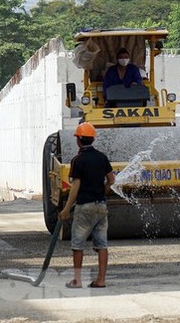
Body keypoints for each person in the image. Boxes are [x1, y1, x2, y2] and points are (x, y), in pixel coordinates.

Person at [59, 122, 115, 289]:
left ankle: (77, 280)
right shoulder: (102, 157)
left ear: (78, 140)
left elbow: (75, 186)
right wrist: (103, 192)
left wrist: (66, 209)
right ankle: (101, 280)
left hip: (85, 207)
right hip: (101, 206)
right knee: (102, 244)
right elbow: (111, 180)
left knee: (77, 244)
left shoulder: (78, 160)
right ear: (92, 139)